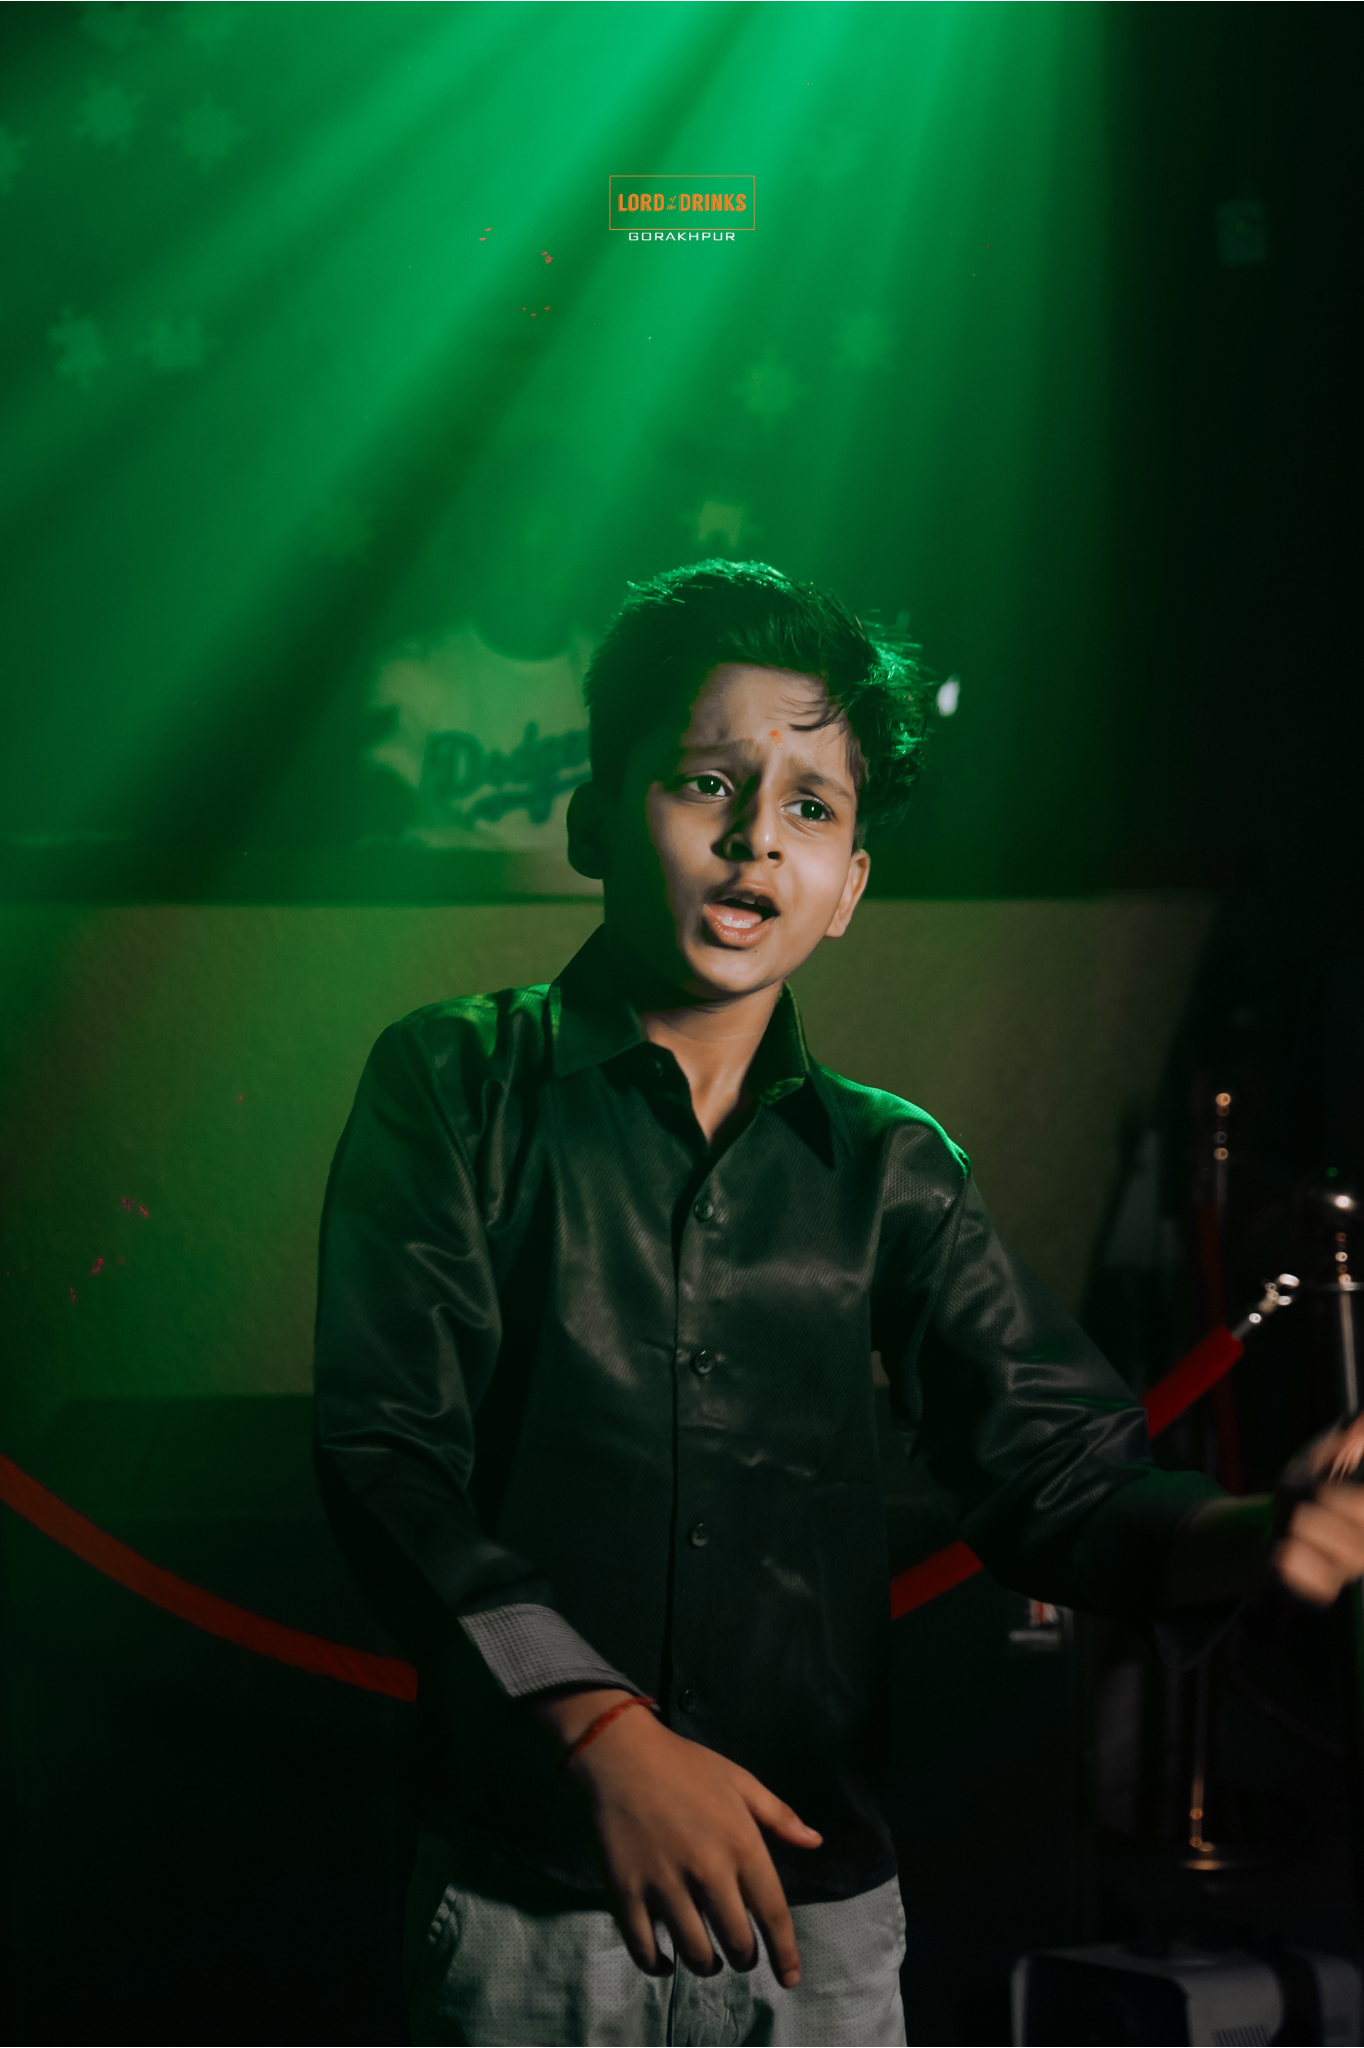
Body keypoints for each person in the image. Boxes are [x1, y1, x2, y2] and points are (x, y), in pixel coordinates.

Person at [313, 561, 1364, 2048]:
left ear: (852, 885)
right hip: (533, 1898)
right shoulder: (452, 1083)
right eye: (705, 782)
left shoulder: (894, 1165)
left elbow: (1056, 1471)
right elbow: (388, 1457)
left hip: (816, 1928)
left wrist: (1256, 1534)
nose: (757, 834)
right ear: (594, 820)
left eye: (811, 806)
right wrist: (596, 1729)